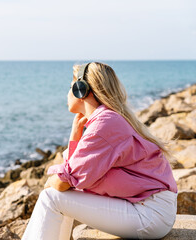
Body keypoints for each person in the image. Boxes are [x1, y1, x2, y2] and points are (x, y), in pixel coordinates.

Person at [21, 62, 178, 240]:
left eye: (69, 86)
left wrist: (51, 181)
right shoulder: (108, 118)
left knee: (51, 197)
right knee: (62, 195)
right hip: (150, 208)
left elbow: (64, 182)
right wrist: (75, 136)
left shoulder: (105, 123)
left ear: (81, 90)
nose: (67, 93)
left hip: (149, 214)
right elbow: (76, 176)